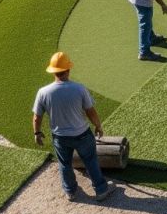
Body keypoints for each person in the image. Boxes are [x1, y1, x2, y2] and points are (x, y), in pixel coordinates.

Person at [32, 52, 116, 202]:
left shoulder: (43, 92)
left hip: (60, 137)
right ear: (68, 70)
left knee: (64, 164)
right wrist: (98, 126)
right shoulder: (79, 89)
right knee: (91, 160)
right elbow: (91, 111)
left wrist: (37, 133)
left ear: (53, 71)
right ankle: (101, 190)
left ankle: (70, 191)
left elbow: (37, 117)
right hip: (82, 134)